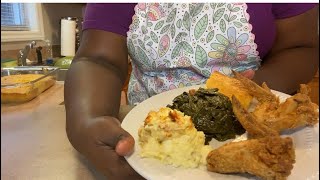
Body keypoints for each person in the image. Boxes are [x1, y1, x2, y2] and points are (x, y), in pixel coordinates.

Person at [64, 3, 318, 179]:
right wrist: (86, 119)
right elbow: (97, 60)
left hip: (247, 129)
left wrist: (253, 89)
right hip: (153, 137)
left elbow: (301, 46)